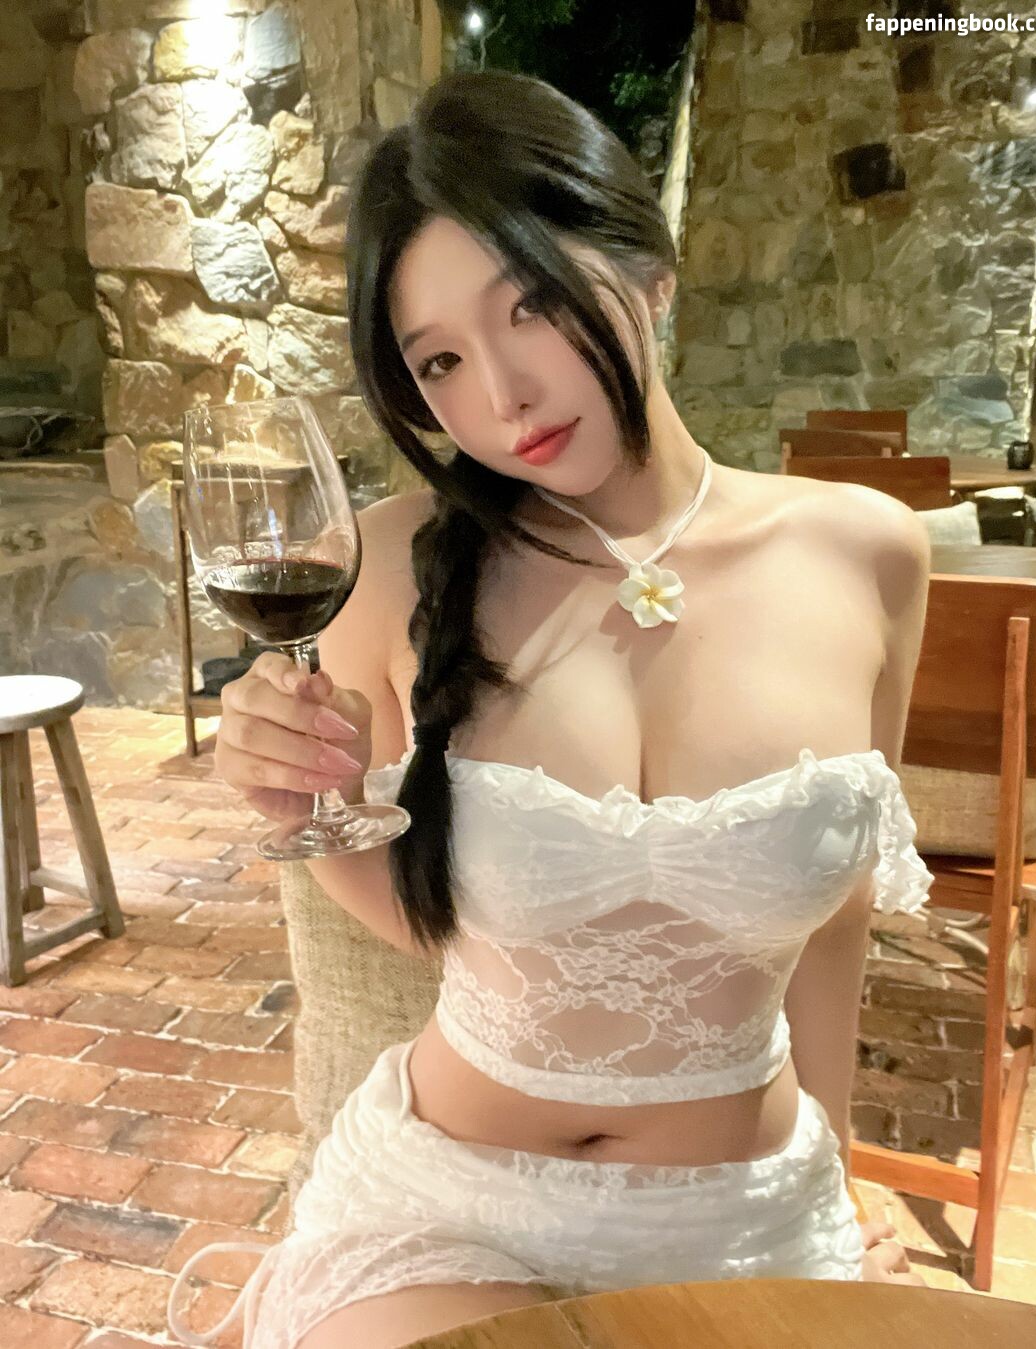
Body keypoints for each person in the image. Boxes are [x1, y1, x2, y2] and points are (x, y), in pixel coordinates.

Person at [168, 68, 933, 1349]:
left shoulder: (870, 555)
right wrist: (299, 800)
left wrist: (838, 1174)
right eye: (441, 360)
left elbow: (836, 917)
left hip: (748, 1212)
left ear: (649, 269)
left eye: (528, 303)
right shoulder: (391, 564)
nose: (502, 394)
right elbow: (433, 921)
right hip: (447, 1212)